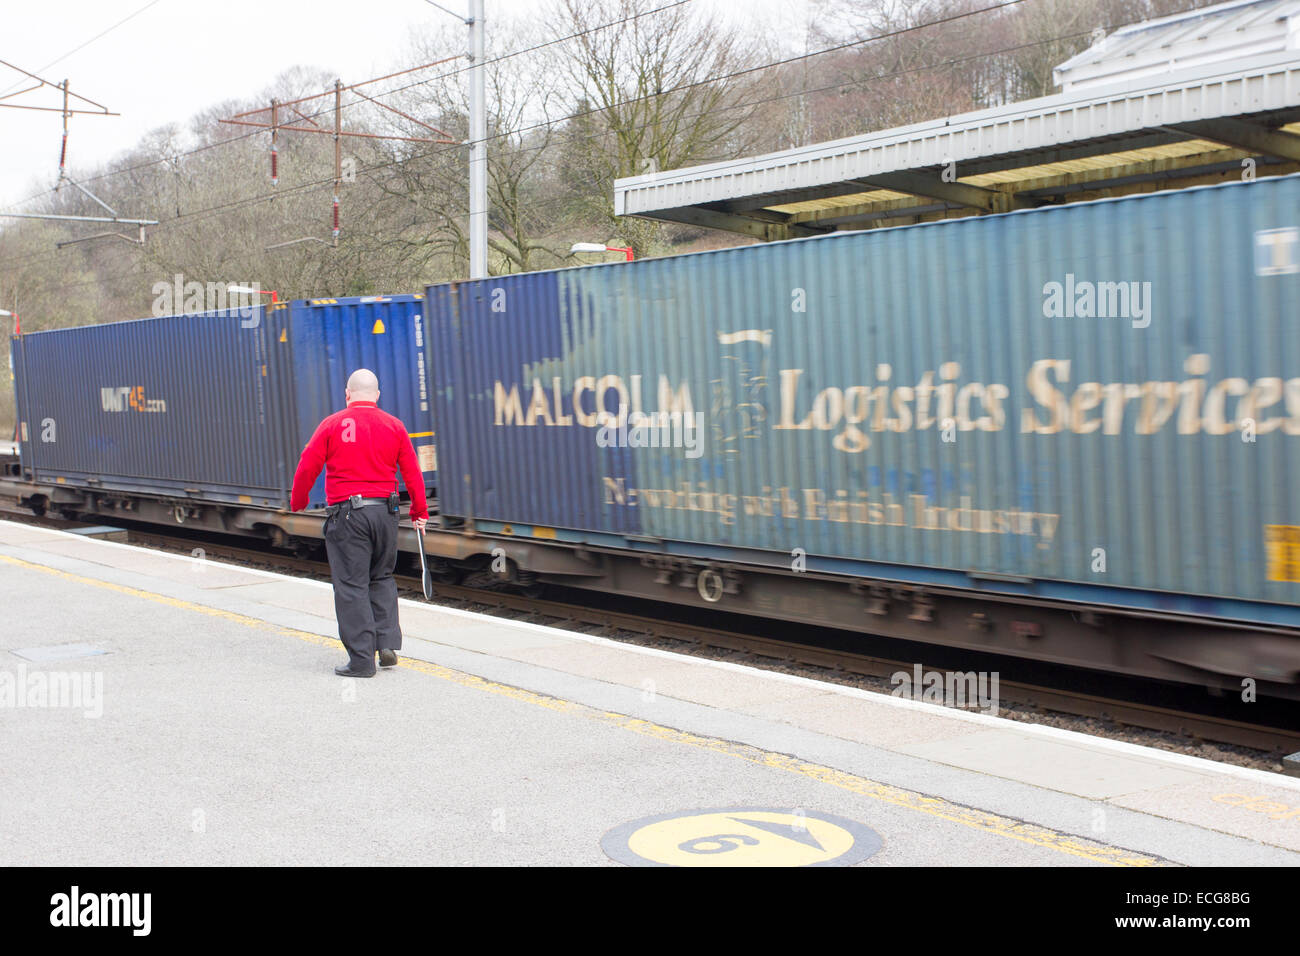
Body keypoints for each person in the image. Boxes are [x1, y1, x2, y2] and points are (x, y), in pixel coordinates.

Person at [290, 368, 429, 677]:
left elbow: (307, 464)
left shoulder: (332, 424)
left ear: (348, 394)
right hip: (386, 514)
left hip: (349, 514)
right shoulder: (394, 425)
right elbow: (412, 473)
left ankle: (362, 661)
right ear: (377, 395)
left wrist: (298, 502)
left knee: (352, 585)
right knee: (381, 576)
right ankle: (387, 643)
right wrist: (419, 512)